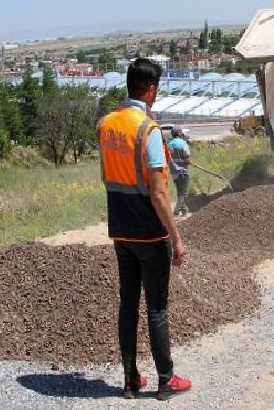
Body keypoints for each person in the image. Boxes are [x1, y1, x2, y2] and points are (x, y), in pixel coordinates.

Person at [97, 58, 192, 401]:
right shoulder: (147, 130)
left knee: (128, 306)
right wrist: (177, 238)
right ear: (151, 90)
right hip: (150, 234)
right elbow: (158, 191)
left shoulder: (106, 124)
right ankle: (166, 380)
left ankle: (129, 380)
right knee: (157, 308)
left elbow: (106, 177)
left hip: (120, 230)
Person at [168, 126, 191, 216]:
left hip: (173, 172)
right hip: (182, 171)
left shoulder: (169, 144)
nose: (182, 134)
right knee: (183, 193)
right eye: (181, 132)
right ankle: (176, 211)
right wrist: (188, 161)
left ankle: (184, 210)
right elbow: (186, 157)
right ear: (178, 133)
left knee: (180, 192)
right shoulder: (182, 143)